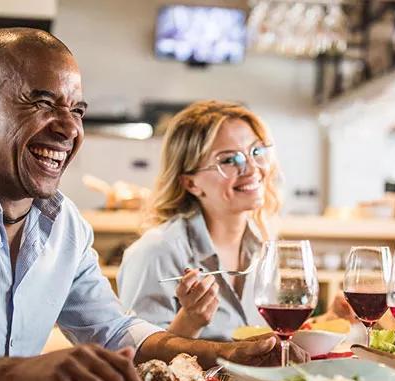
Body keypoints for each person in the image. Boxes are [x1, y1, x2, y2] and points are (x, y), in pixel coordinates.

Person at [0, 28, 289, 381]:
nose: (68, 128)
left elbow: (117, 333)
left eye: (76, 110)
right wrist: (17, 375)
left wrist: (230, 354)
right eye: (42, 103)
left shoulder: (66, 225)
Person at [117, 101, 289, 344]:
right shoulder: (156, 253)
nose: (252, 168)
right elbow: (138, 362)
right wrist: (189, 322)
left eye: (257, 151)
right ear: (191, 183)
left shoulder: (263, 247)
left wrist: (331, 319)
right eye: (229, 160)